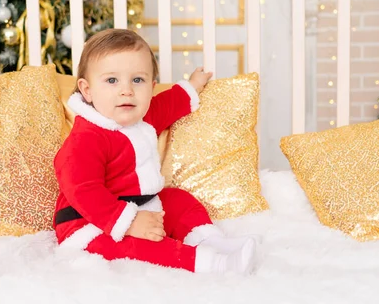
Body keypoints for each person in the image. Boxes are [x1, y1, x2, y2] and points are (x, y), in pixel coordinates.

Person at [53, 28, 257, 274]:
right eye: (111, 80)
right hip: (87, 223)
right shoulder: (86, 138)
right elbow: (83, 191)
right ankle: (209, 263)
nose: (126, 90)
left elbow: (170, 104)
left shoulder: (144, 118)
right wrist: (129, 222)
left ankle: (209, 239)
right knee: (137, 248)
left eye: (137, 80)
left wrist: (193, 86)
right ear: (87, 90)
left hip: (139, 204)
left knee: (178, 200)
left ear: (151, 87)